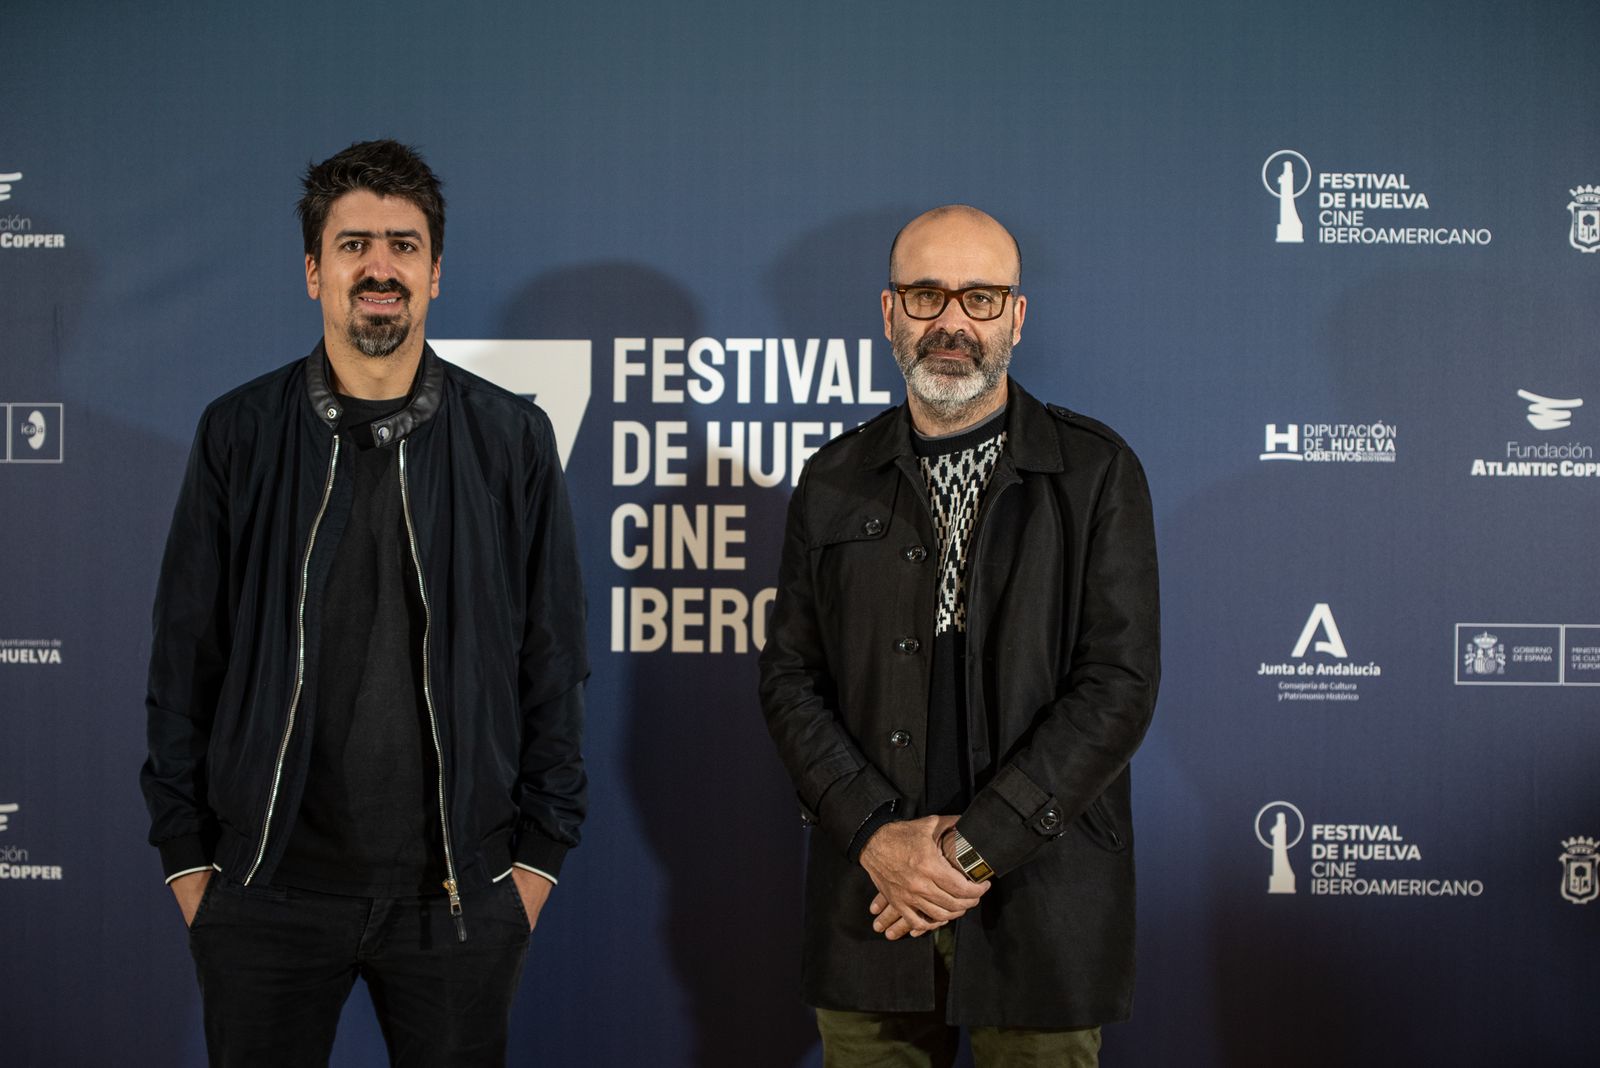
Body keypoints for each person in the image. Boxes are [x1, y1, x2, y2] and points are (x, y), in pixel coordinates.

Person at [140, 139, 587, 1066]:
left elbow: (552, 657)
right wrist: (191, 861)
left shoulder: (511, 437)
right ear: (313, 272)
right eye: (353, 246)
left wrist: (536, 860)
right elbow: (187, 654)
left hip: (460, 898)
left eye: (402, 245)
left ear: (434, 272)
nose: (378, 267)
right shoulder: (241, 432)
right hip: (263, 890)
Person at [759, 205, 1160, 1066]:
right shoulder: (833, 477)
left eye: (980, 298)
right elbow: (791, 679)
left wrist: (965, 856)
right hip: (871, 899)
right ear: (889, 311)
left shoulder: (1095, 472)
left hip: (1040, 896)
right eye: (926, 294)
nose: (952, 322)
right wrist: (876, 839)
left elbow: (1117, 686)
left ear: (1016, 316)